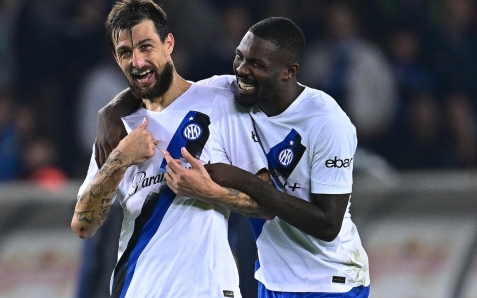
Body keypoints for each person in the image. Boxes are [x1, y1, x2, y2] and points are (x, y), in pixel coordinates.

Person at [96, 16, 371, 297]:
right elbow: (166, 88)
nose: (242, 70)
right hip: (272, 281)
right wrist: (111, 111)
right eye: (240, 57)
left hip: (330, 282)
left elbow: (328, 225)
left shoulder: (326, 121)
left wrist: (241, 179)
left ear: (289, 71)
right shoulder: (230, 92)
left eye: (257, 65)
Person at [71, 1, 273, 297]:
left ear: (169, 44)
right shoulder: (120, 130)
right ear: (116, 59)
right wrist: (120, 159)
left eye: (146, 46)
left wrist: (210, 192)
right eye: (126, 52)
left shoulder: (219, 100)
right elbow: (83, 225)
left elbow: (269, 202)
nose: (137, 61)